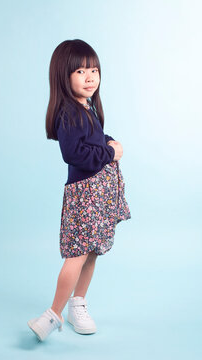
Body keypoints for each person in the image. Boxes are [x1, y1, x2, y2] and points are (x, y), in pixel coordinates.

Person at [27, 39, 131, 341]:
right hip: (86, 195)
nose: (90, 77)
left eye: (94, 70)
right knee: (77, 254)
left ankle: (78, 304)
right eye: (81, 71)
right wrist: (110, 154)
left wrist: (109, 142)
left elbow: (93, 139)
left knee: (91, 254)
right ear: (63, 76)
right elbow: (75, 154)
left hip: (99, 193)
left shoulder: (86, 107)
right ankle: (53, 315)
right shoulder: (68, 114)